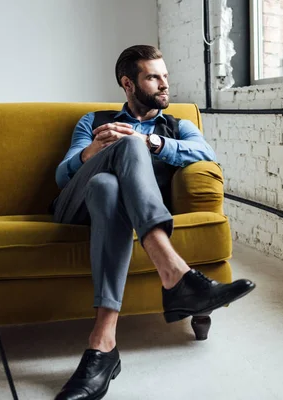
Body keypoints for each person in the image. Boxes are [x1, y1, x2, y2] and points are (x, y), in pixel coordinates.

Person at [51, 44, 255, 400]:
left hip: (111, 207)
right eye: (153, 77)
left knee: (107, 185)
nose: (164, 85)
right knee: (108, 166)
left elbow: (207, 154)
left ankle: (102, 344)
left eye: (165, 76)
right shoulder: (94, 121)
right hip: (75, 210)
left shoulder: (177, 126)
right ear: (128, 84)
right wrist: (93, 152)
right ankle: (176, 275)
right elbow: (61, 176)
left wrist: (152, 142)